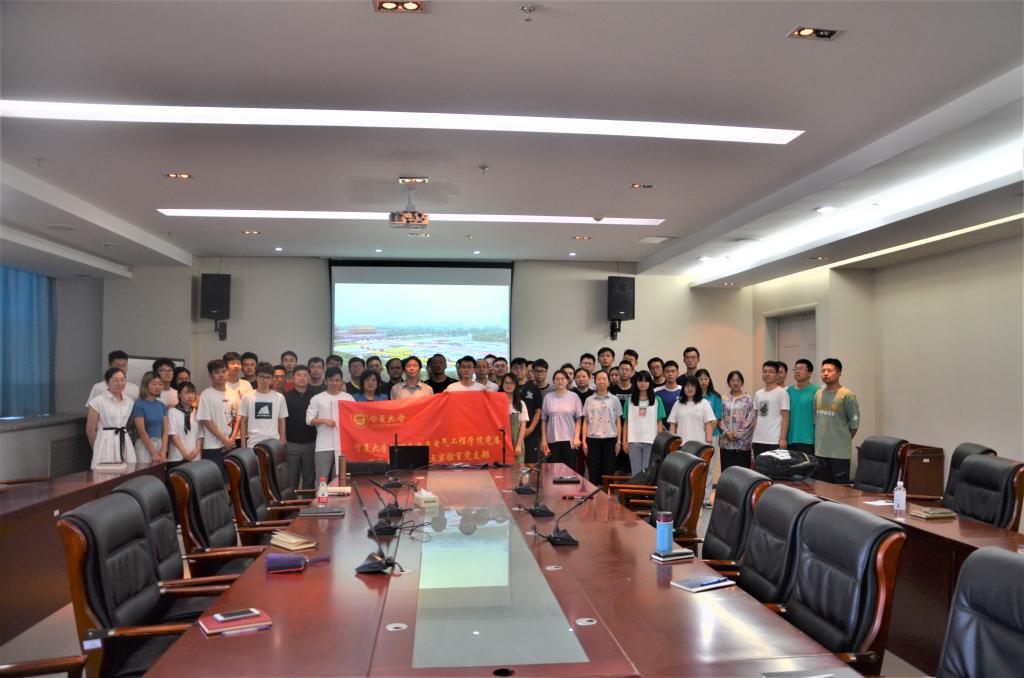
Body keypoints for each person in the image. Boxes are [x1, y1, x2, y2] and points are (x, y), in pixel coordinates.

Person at [668, 375, 717, 505]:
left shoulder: (704, 403)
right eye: (687, 386)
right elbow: (673, 425)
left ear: (697, 388)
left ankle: (696, 504)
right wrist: (672, 445)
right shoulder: (678, 404)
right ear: (683, 388)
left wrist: (708, 445)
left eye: (692, 386)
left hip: (699, 447)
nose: (689, 388)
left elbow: (709, 425)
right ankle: (683, 503)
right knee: (682, 476)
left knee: (697, 477)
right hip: (682, 448)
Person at [813, 358, 860, 484]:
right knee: (822, 489)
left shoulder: (847, 395)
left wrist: (841, 439)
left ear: (839, 373)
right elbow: (815, 420)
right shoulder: (818, 394)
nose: (825, 373)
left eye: (829, 370)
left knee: (841, 490)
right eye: (823, 371)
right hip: (820, 451)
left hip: (839, 454)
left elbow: (854, 424)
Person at [306, 367, 354, 482]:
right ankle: (320, 495)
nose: (334, 383)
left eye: (337, 380)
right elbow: (308, 420)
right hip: (324, 445)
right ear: (325, 381)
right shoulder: (317, 398)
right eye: (331, 380)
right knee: (321, 479)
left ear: (341, 381)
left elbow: (354, 419)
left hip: (343, 446)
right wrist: (323, 421)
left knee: (340, 480)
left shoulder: (348, 398)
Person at [196, 359, 241, 481]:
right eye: (217, 372)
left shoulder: (233, 393)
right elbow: (206, 420)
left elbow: (237, 417)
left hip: (231, 445)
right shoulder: (206, 394)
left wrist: (231, 440)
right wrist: (224, 440)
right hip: (213, 447)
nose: (221, 375)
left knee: (232, 481)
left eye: (223, 371)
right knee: (216, 482)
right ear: (210, 375)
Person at [85, 367, 136, 467]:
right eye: (115, 380)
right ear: (107, 382)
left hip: (124, 439)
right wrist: (97, 448)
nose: (120, 383)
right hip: (105, 441)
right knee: (105, 471)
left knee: (128, 470)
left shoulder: (129, 401)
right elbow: (90, 430)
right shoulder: (97, 401)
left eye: (122, 380)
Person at [581, 370, 622, 485]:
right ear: (594, 382)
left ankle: (607, 495)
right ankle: (594, 494)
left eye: (604, 379)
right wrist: (584, 441)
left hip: (610, 439)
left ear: (608, 382)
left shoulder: (615, 399)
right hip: (592, 440)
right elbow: (585, 421)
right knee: (593, 471)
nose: (601, 381)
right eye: (599, 379)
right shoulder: (589, 400)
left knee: (609, 472)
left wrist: (618, 441)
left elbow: (618, 421)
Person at [621, 370, 665, 475]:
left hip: (651, 441)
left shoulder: (657, 400)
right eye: (640, 380)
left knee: (647, 473)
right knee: (636, 473)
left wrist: (659, 442)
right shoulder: (629, 400)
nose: (643, 383)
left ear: (650, 383)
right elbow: (626, 422)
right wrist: (624, 441)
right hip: (633, 441)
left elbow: (659, 422)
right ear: (636, 382)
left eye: (646, 381)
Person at [284, 365, 319, 489]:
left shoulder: (316, 397)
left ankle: (307, 501)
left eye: (305, 375)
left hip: (311, 444)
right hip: (291, 444)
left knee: (309, 480)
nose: (302, 378)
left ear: (309, 378)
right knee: (291, 480)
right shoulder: (285, 397)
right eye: (298, 375)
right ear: (293, 378)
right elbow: (282, 421)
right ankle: (291, 501)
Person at [239, 362, 289, 448]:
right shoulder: (247, 397)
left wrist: (281, 443)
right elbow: (243, 421)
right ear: (256, 377)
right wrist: (243, 445)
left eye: (268, 377)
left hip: (273, 444)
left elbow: (281, 421)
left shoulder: (279, 397)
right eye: (262, 377)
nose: (265, 380)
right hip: (252, 443)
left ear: (272, 379)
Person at [540, 370, 583, 467]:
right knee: (554, 469)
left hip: (570, 439)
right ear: (553, 381)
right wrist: (544, 439)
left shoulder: (574, 396)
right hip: (552, 439)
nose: (560, 381)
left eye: (562, 379)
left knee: (570, 469)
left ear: (567, 381)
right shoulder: (548, 397)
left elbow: (578, 419)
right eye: (557, 379)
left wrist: (576, 437)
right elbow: (544, 420)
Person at [751, 361, 790, 457]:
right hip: (758, 440)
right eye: (765, 371)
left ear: (777, 375)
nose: (767, 374)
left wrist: (783, 439)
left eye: (771, 372)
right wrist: (753, 437)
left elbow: (785, 416)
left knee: (774, 466)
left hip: (774, 440)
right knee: (759, 466)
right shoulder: (758, 393)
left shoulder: (782, 393)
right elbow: (756, 417)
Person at [696, 368, 723, 505]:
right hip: (695, 437)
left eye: (705, 378)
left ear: (709, 380)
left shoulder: (715, 397)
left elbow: (716, 418)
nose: (703, 381)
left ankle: (706, 498)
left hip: (712, 436)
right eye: (700, 379)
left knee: (709, 467)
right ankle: (695, 497)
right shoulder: (692, 397)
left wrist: (707, 434)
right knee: (696, 467)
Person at [720, 370, 755, 472]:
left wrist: (738, 434)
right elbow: (720, 417)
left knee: (743, 473)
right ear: (728, 382)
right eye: (732, 380)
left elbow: (750, 419)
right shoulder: (723, 399)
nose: (735, 383)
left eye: (738, 380)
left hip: (743, 444)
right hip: (726, 443)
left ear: (742, 382)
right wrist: (727, 433)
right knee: (727, 472)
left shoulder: (748, 399)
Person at [132, 371, 169, 463]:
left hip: (160, 444)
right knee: (144, 471)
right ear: (146, 385)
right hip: (144, 445)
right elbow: (142, 432)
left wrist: (164, 451)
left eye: (160, 384)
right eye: (154, 384)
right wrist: (153, 453)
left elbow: (165, 430)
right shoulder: (139, 404)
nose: (157, 387)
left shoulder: (161, 405)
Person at [512, 357, 543, 463]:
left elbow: (538, 411)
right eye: (515, 368)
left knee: (530, 464)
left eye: (522, 367)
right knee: (513, 464)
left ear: (527, 370)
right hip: (512, 433)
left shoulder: (534, 388)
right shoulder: (508, 387)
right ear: (511, 370)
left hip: (531, 433)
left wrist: (530, 428)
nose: (518, 370)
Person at [787, 359, 819, 457]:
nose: (797, 371)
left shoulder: (817, 391)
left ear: (810, 373)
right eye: (795, 369)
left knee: (807, 466)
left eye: (801, 369)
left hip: (808, 439)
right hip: (790, 439)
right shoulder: (788, 391)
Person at [167, 381, 201, 463]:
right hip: (177, 457)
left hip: (195, 457)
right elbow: (173, 435)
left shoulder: (197, 412)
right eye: (186, 393)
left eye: (192, 393)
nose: (190, 396)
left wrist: (196, 450)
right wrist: (185, 453)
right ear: (179, 395)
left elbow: (200, 435)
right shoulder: (172, 411)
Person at [500, 374, 530, 465]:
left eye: (512, 383)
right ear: (502, 385)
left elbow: (523, 426)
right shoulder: (497, 402)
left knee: (517, 469)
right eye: (506, 383)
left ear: (516, 385)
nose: (509, 385)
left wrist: (518, 445)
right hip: (500, 442)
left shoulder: (521, 404)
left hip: (516, 441)